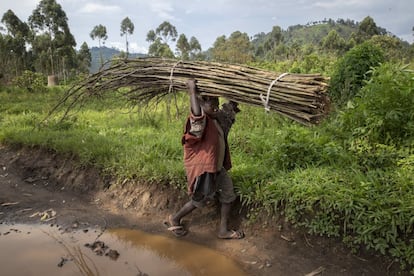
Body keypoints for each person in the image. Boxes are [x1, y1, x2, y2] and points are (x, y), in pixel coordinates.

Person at [164, 79, 244, 239]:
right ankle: (175, 218)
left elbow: (228, 113)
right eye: (210, 103)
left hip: (218, 167)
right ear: (200, 105)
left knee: (228, 194)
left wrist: (236, 91)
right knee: (199, 200)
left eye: (216, 102)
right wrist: (192, 91)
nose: (215, 106)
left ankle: (223, 230)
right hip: (204, 170)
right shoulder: (199, 122)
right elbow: (197, 116)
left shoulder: (217, 119)